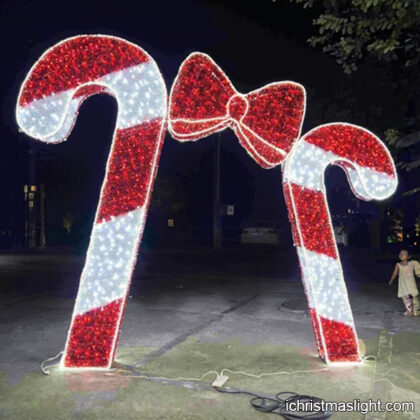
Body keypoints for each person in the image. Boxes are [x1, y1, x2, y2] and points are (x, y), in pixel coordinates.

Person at [388, 249, 420, 316]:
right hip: (403, 283)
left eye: (404, 254)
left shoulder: (412, 263)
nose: (401, 255)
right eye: (400, 253)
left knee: (413, 296)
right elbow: (395, 273)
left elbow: (418, 269)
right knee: (405, 297)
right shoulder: (398, 264)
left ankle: (416, 310)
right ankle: (409, 310)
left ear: (408, 256)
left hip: (411, 283)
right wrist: (391, 280)